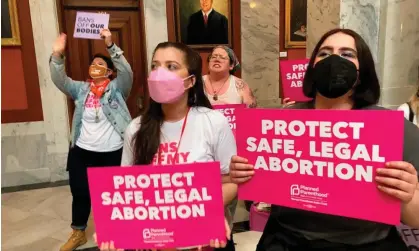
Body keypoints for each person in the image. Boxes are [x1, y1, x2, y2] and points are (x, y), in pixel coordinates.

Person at [229, 28, 419, 250]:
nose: (334, 60)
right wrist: (244, 174)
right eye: (324, 53)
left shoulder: (394, 129)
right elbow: (256, 195)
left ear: (362, 71)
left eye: (347, 54)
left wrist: (407, 195)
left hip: (366, 244)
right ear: (312, 66)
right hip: (287, 241)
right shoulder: (280, 123)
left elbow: (415, 219)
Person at [97, 41, 237, 251]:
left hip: (202, 242)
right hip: (153, 242)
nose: (159, 73)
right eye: (155, 66)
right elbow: (126, 193)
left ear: (190, 80)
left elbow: (230, 181)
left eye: (171, 66)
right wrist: (115, 228)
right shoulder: (136, 128)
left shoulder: (213, 122)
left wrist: (208, 212)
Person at [50, 29, 133, 251]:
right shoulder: (81, 89)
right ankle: (79, 232)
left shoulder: (117, 89)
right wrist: (57, 56)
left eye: (100, 63)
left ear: (109, 72)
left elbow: (127, 72)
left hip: (112, 151)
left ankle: (115, 231)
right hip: (82, 151)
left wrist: (110, 45)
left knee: (114, 195)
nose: (96, 66)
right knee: (80, 192)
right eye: (93, 63)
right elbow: (60, 80)